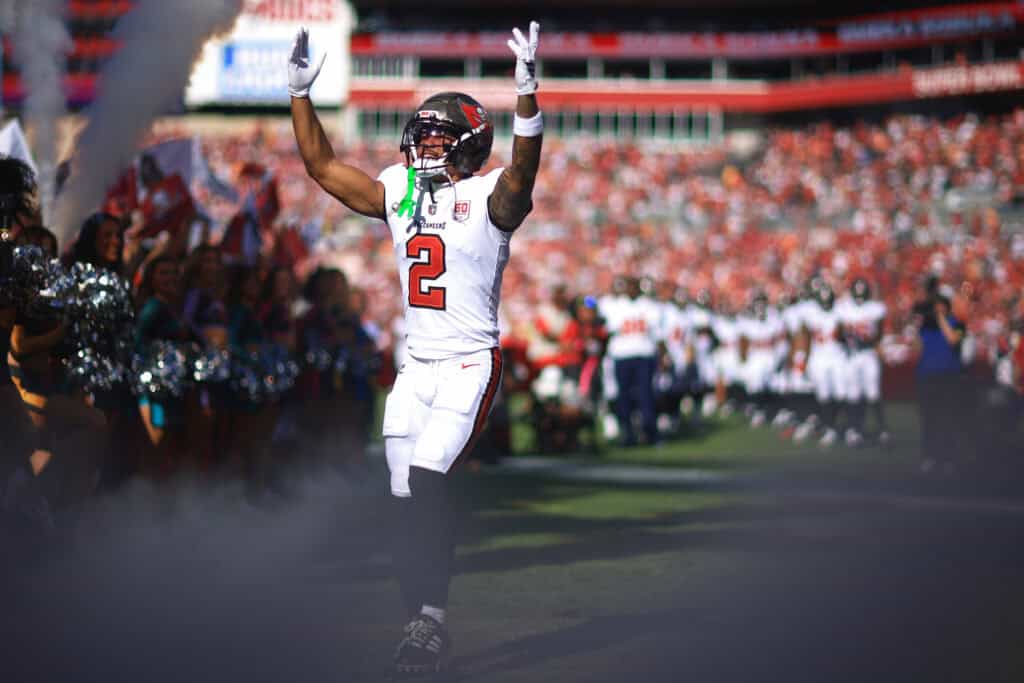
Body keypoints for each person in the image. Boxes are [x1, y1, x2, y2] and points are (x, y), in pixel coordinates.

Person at [290, 20, 543, 676]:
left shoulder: (488, 196)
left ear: (468, 146)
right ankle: (423, 621)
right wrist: (298, 95)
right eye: (422, 132)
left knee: (430, 478)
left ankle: (430, 620)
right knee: (403, 496)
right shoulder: (399, 192)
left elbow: (521, 173)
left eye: (439, 135)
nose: (425, 142)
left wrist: (527, 94)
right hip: (416, 369)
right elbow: (320, 167)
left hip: (467, 363)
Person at [913, 277, 967, 474]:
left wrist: (941, 319)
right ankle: (929, 457)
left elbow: (953, 340)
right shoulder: (925, 327)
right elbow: (917, 349)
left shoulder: (957, 324)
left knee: (948, 419)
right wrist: (917, 328)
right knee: (929, 419)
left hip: (948, 377)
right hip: (927, 376)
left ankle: (948, 458)